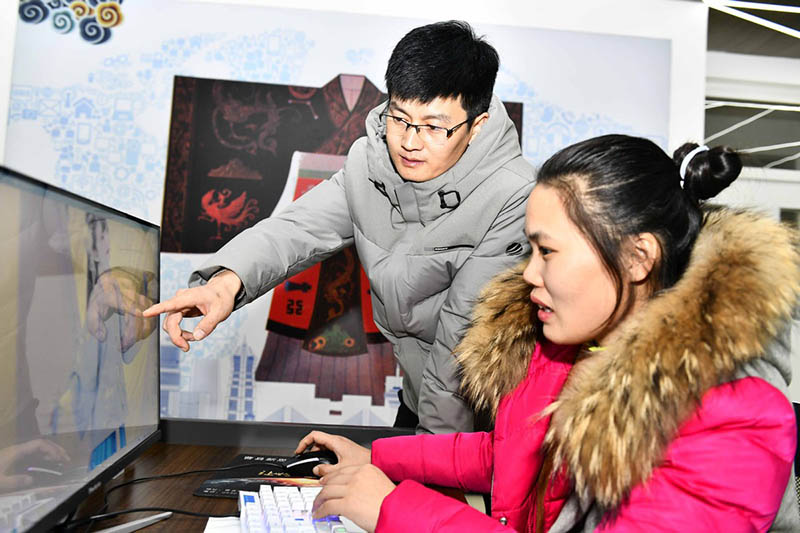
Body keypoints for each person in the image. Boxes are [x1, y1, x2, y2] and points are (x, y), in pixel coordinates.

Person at [292, 135, 800, 532]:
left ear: (637, 258)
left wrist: (392, 509)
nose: (529, 273)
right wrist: (379, 457)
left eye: (547, 251)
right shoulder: (567, 351)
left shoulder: (735, 420)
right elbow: (508, 453)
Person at [144, 21, 536, 433]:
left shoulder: (514, 196)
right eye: (400, 117)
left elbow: (459, 344)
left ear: (477, 125)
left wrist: (430, 465)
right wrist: (225, 282)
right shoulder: (371, 162)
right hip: (420, 398)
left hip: (486, 421)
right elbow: (298, 229)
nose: (409, 141)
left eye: (435, 127)